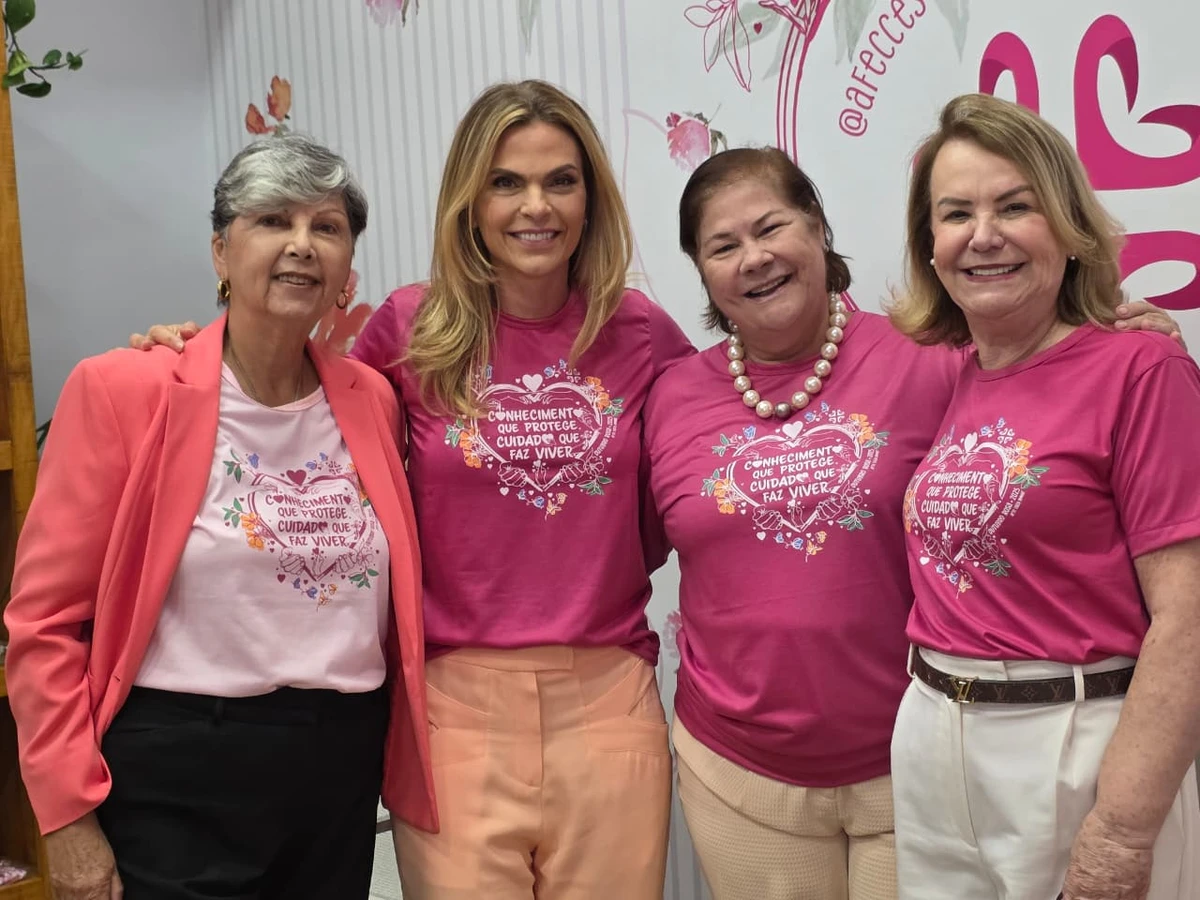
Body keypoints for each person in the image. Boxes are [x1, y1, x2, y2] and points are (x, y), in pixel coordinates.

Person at [134, 79, 691, 900]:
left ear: (590, 199)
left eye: (559, 181)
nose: (534, 206)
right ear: (470, 200)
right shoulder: (409, 329)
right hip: (451, 702)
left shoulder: (642, 333)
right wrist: (184, 348)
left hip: (608, 701)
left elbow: (704, 464)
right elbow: (285, 402)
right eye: (506, 181)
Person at [642, 144, 1188, 900]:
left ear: (818, 228)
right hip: (737, 770)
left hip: (917, 769)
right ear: (699, 271)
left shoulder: (936, 354)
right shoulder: (669, 397)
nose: (754, 258)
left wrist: (1129, 344)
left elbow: (1045, 382)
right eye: (723, 246)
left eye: (771, 228)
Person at [4, 134, 435, 900]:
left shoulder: (373, 399)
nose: (302, 245)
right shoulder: (123, 390)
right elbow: (43, 624)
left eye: (327, 227)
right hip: (178, 772)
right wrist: (65, 817)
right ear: (220, 252)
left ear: (346, 270)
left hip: (338, 769)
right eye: (272, 220)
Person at [888, 92, 1200, 900]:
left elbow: (1189, 617)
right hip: (933, 739)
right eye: (955, 213)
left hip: (1074, 746)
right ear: (931, 245)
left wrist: (1123, 830)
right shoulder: (952, 374)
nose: (982, 235)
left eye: (1014, 206)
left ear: (1067, 227)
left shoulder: (1140, 371)